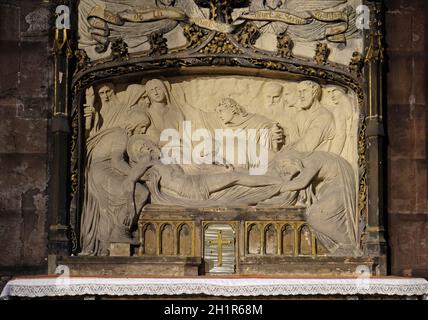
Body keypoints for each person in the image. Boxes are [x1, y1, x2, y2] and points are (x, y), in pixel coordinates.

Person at [80, 111, 152, 256]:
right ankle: (121, 231)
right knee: (141, 192)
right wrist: (140, 175)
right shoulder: (121, 135)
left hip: (102, 171)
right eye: (143, 126)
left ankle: (119, 231)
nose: (143, 131)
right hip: (103, 172)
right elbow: (117, 162)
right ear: (134, 124)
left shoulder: (118, 133)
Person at [276, 150, 361, 256]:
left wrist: (276, 189)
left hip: (340, 184)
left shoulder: (312, 160)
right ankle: (341, 246)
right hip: (331, 185)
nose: (283, 170)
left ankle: (348, 244)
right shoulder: (308, 162)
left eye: (284, 165)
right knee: (313, 214)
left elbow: (302, 182)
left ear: (293, 159)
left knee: (315, 217)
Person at [292, 80, 336, 152]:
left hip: (316, 160)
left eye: (305, 91)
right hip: (300, 156)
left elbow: (305, 146)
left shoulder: (324, 116)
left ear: (314, 93)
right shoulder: (300, 115)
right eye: (300, 92)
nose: (301, 96)